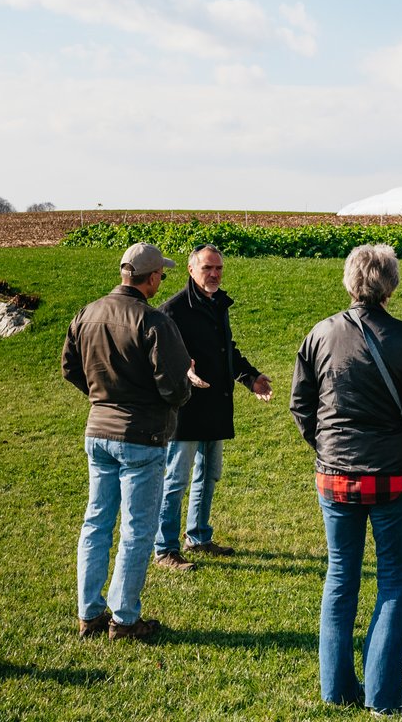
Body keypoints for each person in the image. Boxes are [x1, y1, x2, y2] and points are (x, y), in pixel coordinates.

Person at [290, 244, 402, 718]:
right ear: (391, 285)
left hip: (334, 475)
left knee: (340, 576)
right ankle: (385, 695)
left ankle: (335, 688)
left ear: (349, 281)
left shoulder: (320, 334)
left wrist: (324, 449)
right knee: (394, 580)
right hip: (391, 477)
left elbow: (302, 405)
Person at [62, 242, 193, 642]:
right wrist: (178, 395)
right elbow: (174, 385)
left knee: (96, 522)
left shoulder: (87, 312)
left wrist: (102, 396)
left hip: (98, 430)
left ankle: (89, 612)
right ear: (151, 278)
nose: (162, 281)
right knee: (137, 529)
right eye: (162, 275)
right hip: (142, 436)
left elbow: (70, 368)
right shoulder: (154, 321)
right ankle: (125, 618)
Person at [153, 243, 272, 571]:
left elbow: (226, 349)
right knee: (176, 480)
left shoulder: (219, 303)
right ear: (192, 270)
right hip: (185, 410)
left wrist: (250, 377)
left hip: (215, 406)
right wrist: (183, 371)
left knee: (209, 474)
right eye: (208, 268)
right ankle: (165, 548)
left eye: (218, 268)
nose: (215, 274)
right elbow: (158, 357)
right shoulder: (172, 310)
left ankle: (199, 537)